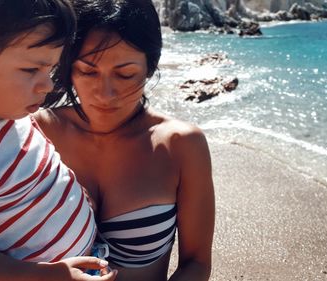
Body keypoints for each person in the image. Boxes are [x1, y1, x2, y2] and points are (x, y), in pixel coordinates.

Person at [34, 0, 215, 280]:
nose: (105, 94)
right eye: (88, 71)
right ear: (68, 66)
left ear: (150, 67)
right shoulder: (33, 133)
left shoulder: (180, 145)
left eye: (125, 74)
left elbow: (197, 262)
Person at [0, 0, 117, 280]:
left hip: (89, 256)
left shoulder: (16, 116)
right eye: (31, 70)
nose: (48, 85)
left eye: (50, 70)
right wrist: (49, 275)